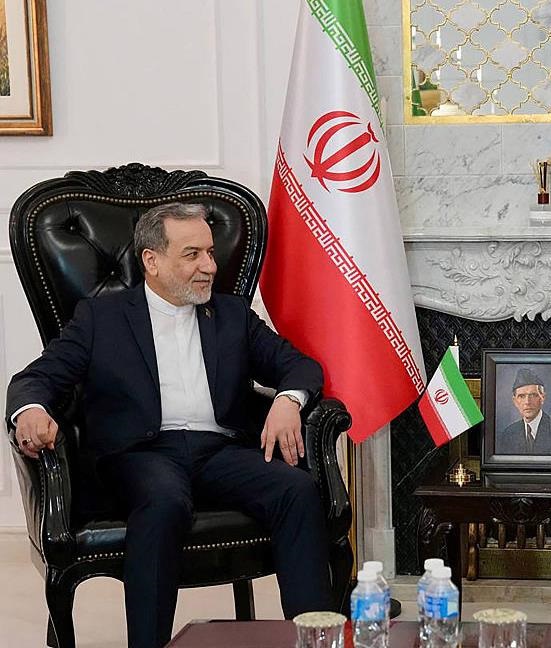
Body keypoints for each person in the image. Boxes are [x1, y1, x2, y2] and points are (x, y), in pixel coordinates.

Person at [7, 203, 335, 648]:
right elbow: (36, 378)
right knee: (163, 501)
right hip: (141, 454)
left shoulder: (232, 314)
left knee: (295, 489)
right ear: (152, 260)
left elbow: (299, 366)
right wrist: (31, 410)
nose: (209, 266)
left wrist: (287, 400)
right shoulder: (101, 318)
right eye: (192, 254)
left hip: (220, 452)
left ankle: (315, 639)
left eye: (210, 253)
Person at [496, 368, 551, 455]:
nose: (527, 402)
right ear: (515, 401)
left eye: (533, 395)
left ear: (542, 398)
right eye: (522, 396)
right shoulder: (509, 433)